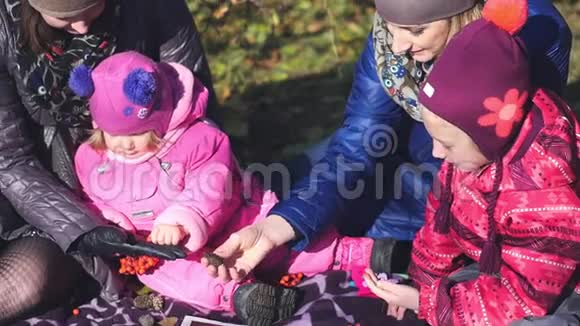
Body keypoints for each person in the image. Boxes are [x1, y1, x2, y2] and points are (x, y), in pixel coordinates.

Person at [204, 0, 572, 284]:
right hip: (404, 154)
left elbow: (515, 165)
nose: (396, 46)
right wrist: (281, 223)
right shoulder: (392, 40)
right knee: (290, 190)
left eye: (415, 30)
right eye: (391, 27)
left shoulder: (528, 37)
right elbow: (361, 138)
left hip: (465, 175)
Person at [72, 51, 395, 326]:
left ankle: (354, 252)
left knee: (280, 248)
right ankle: (243, 297)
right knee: (185, 279)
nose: (125, 145)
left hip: (234, 219)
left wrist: (183, 218)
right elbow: (94, 200)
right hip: (164, 252)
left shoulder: (198, 140)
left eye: (137, 135)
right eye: (114, 136)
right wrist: (117, 228)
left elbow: (210, 185)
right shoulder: (91, 159)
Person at [362, 1, 580, 324]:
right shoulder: (466, 158)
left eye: (446, 143)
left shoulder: (539, 196)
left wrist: (428, 303)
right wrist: (423, 284)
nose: (436, 153)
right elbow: (441, 224)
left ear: (488, 135)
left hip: (557, 289)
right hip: (504, 270)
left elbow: (523, 299)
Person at [0, 0, 214, 322]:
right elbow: (11, 158)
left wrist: (180, 202)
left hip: (140, 173)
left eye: (94, 7)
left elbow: (193, 107)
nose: (84, 27)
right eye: (64, 18)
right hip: (37, 188)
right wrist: (83, 229)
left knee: (29, 282)